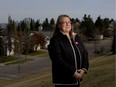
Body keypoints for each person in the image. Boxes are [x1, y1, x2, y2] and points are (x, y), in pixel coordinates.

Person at [48, 14, 89, 87]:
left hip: (77, 79)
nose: (67, 24)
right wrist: (74, 72)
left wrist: (83, 69)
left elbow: (84, 53)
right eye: (64, 22)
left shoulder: (76, 37)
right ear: (58, 25)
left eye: (69, 22)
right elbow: (58, 60)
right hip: (64, 81)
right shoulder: (55, 40)